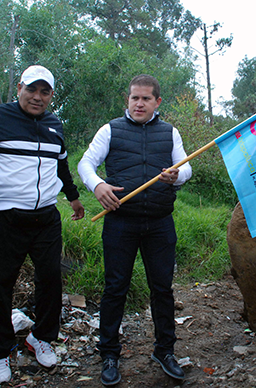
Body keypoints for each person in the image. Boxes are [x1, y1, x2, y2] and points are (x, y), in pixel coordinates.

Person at [78, 74, 192, 386]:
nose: (139, 103)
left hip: (159, 223)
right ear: (127, 100)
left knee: (163, 289)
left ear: (157, 101)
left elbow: (187, 166)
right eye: (134, 98)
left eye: (145, 98)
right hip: (120, 223)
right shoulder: (110, 130)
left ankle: (164, 351)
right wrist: (97, 184)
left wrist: (177, 175)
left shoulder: (170, 132)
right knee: (115, 289)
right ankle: (109, 354)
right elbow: (85, 164)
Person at [0, 65, 85, 383]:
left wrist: (74, 197)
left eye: (44, 91)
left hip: (46, 217)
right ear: (19, 87)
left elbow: (61, 163)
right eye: (31, 89)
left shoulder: (53, 124)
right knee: (0, 283)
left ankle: (41, 338)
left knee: (51, 278)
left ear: (51, 95)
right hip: (4, 217)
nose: (37, 97)